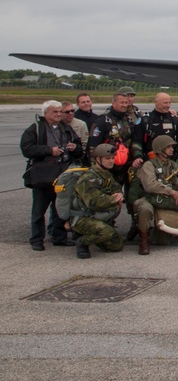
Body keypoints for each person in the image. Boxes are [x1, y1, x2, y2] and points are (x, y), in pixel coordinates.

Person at [21, 100, 82, 251]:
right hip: (43, 175)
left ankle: (59, 237)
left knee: (59, 208)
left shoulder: (66, 129)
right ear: (46, 113)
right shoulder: (35, 128)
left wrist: (74, 147)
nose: (59, 114)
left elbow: (79, 147)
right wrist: (49, 150)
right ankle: (36, 239)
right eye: (55, 112)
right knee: (39, 210)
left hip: (62, 175)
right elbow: (27, 149)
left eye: (60, 111)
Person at [132, 135, 178, 254]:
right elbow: (150, 186)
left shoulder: (173, 165)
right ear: (160, 149)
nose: (171, 149)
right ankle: (144, 240)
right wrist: (170, 192)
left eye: (172, 146)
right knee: (145, 209)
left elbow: (177, 186)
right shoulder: (149, 165)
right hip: (149, 197)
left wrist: (175, 195)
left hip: (164, 199)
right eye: (168, 146)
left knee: (163, 242)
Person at [70, 143, 125, 258]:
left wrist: (119, 194)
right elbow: (94, 202)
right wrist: (114, 199)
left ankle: (98, 234)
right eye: (107, 158)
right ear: (98, 159)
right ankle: (82, 241)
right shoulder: (88, 178)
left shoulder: (106, 175)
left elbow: (116, 188)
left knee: (116, 246)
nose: (111, 161)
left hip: (98, 216)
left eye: (112, 158)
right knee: (107, 233)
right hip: (83, 218)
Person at [88, 91, 142, 186]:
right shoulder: (103, 121)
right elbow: (93, 146)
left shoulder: (129, 120)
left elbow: (135, 139)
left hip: (126, 164)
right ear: (113, 103)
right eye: (121, 102)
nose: (124, 105)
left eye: (126, 103)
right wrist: (96, 167)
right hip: (108, 165)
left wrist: (137, 156)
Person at [133, 92, 178, 171]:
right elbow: (136, 141)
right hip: (149, 163)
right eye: (165, 103)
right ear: (156, 102)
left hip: (170, 163)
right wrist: (138, 157)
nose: (168, 105)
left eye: (169, 102)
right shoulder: (145, 120)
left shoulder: (174, 120)